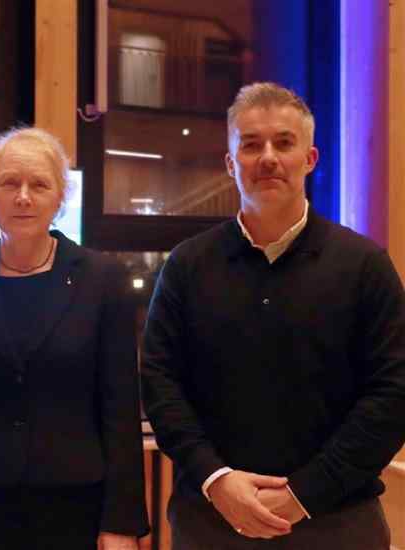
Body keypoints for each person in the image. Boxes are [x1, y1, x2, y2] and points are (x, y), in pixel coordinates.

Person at [142, 82, 405, 549]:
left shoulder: (365, 265)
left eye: (284, 143)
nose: (267, 157)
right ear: (230, 163)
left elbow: (393, 394)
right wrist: (217, 479)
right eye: (250, 144)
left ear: (310, 159)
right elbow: (161, 385)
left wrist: (305, 494)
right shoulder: (186, 266)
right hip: (211, 522)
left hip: (337, 523)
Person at [0, 127, 149, 550]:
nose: (23, 196)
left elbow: (120, 411)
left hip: (76, 510)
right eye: (9, 183)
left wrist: (122, 523)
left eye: (39, 184)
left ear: (59, 198)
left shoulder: (102, 280)